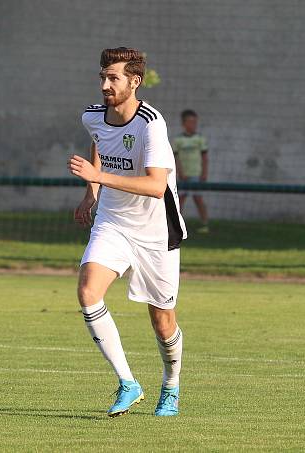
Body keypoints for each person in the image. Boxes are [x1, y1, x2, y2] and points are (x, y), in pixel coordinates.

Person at [67, 47, 187, 418]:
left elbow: (155, 186)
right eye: (102, 76)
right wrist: (92, 195)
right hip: (113, 223)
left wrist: (97, 177)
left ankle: (170, 387)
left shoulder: (152, 123)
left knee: (162, 320)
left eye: (113, 78)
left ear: (134, 81)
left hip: (155, 232)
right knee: (88, 292)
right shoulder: (92, 117)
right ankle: (128, 383)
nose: (105, 84)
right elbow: (100, 142)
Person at [172, 110, 209, 233]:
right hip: (183, 176)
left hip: (196, 174)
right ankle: (176, 225)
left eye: (195, 122)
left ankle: (205, 224)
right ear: (184, 123)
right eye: (190, 122)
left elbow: (204, 158)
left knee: (198, 199)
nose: (193, 124)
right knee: (180, 200)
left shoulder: (199, 139)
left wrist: (204, 173)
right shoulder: (178, 140)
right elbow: (175, 158)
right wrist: (180, 173)